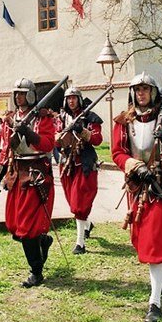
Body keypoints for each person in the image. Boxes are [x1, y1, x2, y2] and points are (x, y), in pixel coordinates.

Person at [111, 73, 162, 322]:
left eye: (145, 89)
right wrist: (134, 165)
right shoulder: (124, 121)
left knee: (155, 243)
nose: (141, 94)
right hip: (138, 186)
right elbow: (117, 153)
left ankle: (154, 302)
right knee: (144, 240)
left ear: (154, 92)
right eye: (137, 90)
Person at [0, 78, 56, 288]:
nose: (19, 97)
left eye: (22, 93)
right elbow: (6, 146)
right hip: (17, 171)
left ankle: (36, 271)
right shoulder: (10, 118)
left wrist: (28, 132)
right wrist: (0, 174)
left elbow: (49, 144)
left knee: (27, 227)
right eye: (17, 93)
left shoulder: (44, 118)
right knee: (14, 225)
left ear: (31, 95)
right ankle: (42, 243)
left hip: (36, 171)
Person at [57, 87, 103, 254]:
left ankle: (80, 243)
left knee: (79, 204)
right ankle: (87, 224)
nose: (71, 101)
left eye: (74, 98)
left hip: (84, 163)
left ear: (79, 99)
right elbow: (56, 137)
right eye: (68, 98)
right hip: (67, 164)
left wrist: (81, 130)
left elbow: (97, 139)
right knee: (73, 204)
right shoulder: (62, 117)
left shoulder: (90, 117)